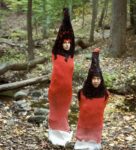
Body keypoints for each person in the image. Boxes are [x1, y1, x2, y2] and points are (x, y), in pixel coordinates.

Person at [48, 8, 75, 147]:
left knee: (63, 114)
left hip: (67, 92)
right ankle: (54, 137)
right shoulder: (55, 54)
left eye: (68, 43)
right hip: (55, 90)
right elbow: (58, 40)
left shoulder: (71, 56)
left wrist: (68, 22)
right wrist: (65, 19)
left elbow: (72, 38)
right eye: (64, 42)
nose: (66, 44)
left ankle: (63, 136)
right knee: (55, 114)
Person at [74, 48, 109, 150]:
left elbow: (103, 106)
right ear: (90, 79)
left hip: (96, 124)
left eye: (98, 79)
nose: (96, 81)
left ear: (101, 80)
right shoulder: (82, 92)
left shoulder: (105, 94)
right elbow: (81, 106)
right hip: (84, 123)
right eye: (94, 78)